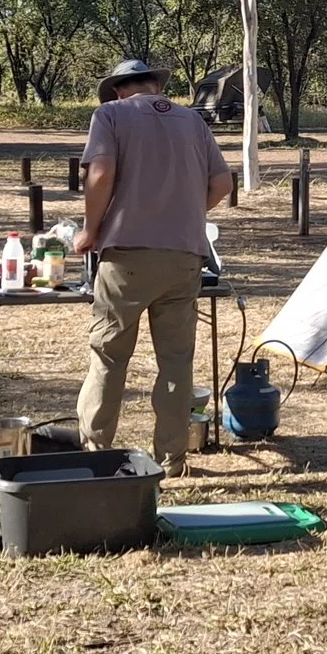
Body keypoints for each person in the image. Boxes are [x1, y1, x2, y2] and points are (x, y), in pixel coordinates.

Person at [76, 58, 234, 474]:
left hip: (126, 254)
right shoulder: (193, 121)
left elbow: (101, 171)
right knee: (176, 361)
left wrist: (90, 230)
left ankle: (96, 454)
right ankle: (173, 458)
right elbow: (222, 183)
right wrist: (182, 213)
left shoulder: (109, 115)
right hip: (185, 255)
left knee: (109, 356)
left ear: (117, 89)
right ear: (154, 85)